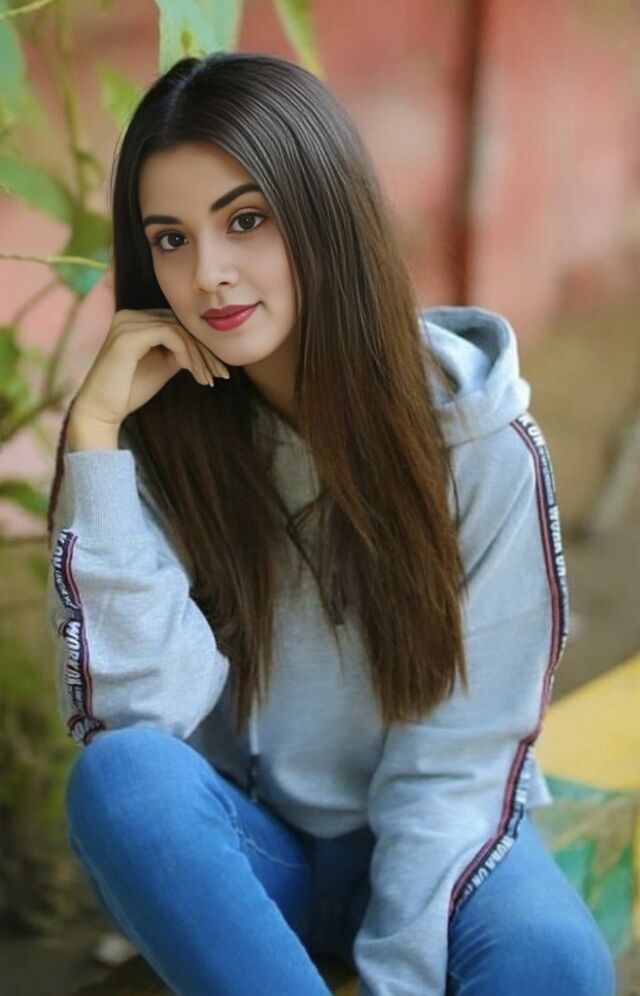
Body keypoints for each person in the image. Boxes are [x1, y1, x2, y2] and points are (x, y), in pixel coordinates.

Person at [45, 51, 615, 996]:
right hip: (258, 851)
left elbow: (462, 762)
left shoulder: (478, 439)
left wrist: (399, 976)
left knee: (555, 963)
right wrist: (96, 438)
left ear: (325, 211)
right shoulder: (152, 443)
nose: (209, 275)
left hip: (446, 843)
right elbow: (139, 721)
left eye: (245, 220)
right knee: (122, 779)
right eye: (171, 239)